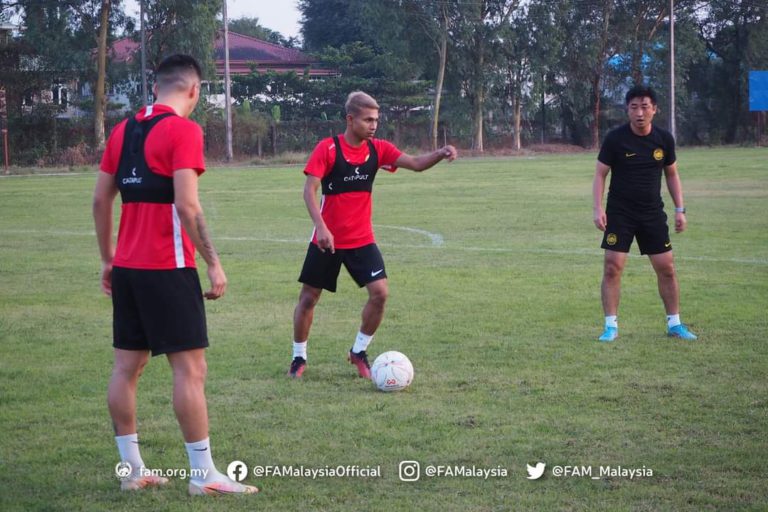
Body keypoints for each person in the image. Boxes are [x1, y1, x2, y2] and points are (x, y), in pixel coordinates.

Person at [93, 54, 258, 495]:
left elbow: (100, 200)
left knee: (126, 367)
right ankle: (203, 476)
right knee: (190, 371)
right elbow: (187, 205)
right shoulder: (185, 130)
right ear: (194, 90)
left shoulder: (123, 130)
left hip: (127, 269)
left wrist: (108, 258)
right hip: (168, 267)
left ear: (155, 88)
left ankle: (132, 471)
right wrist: (213, 261)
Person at [288, 91, 458, 378]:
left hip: (362, 239)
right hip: (327, 239)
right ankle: (298, 358)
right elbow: (309, 190)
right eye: (368, 119)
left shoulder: (378, 149)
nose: (374, 125)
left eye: (376, 120)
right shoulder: (328, 149)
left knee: (380, 294)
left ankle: (358, 352)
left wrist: (440, 154)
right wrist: (321, 227)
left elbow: (415, 164)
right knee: (309, 298)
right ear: (350, 119)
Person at [592, 84, 697, 343]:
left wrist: (680, 209)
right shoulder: (615, 139)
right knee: (612, 267)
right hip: (620, 214)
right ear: (627, 110)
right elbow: (600, 174)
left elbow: (672, 175)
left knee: (667, 268)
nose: (640, 112)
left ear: (654, 109)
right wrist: (598, 208)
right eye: (634, 107)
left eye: (645, 107)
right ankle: (610, 327)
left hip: (652, 214)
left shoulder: (663, 139)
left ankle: (675, 324)